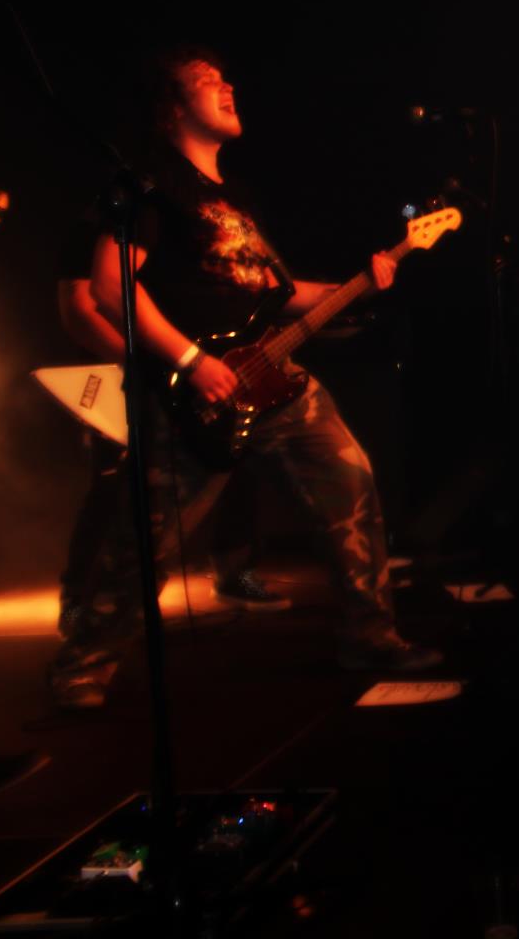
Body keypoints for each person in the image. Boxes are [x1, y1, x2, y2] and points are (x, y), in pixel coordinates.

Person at [48, 45, 441, 709]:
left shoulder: (233, 198)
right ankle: (81, 668)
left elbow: (273, 292)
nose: (227, 86)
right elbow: (110, 287)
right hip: (192, 392)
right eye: (206, 81)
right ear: (172, 109)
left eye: (225, 77)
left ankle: (370, 637)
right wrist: (189, 361)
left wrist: (361, 284)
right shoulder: (153, 185)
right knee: (145, 544)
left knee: (351, 484)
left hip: (273, 376)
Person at [54, 217, 288, 640]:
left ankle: (234, 572)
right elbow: (80, 307)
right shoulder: (111, 214)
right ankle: (79, 601)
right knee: (116, 484)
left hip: (186, 369)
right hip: (130, 372)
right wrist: (154, 362)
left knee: (234, 455)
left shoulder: (183, 220)